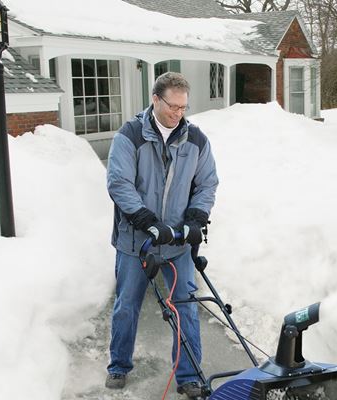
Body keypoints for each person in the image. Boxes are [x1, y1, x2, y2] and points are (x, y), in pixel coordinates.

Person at [105, 72, 218, 398]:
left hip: (178, 244)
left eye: (184, 108)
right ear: (155, 99)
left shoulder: (195, 140)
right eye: (173, 107)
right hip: (135, 242)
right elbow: (119, 183)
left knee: (185, 305)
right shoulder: (130, 136)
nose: (179, 113)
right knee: (127, 304)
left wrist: (196, 217)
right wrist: (147, 220)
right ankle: (118, 366)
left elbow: (207, 183)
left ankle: (190, 375)